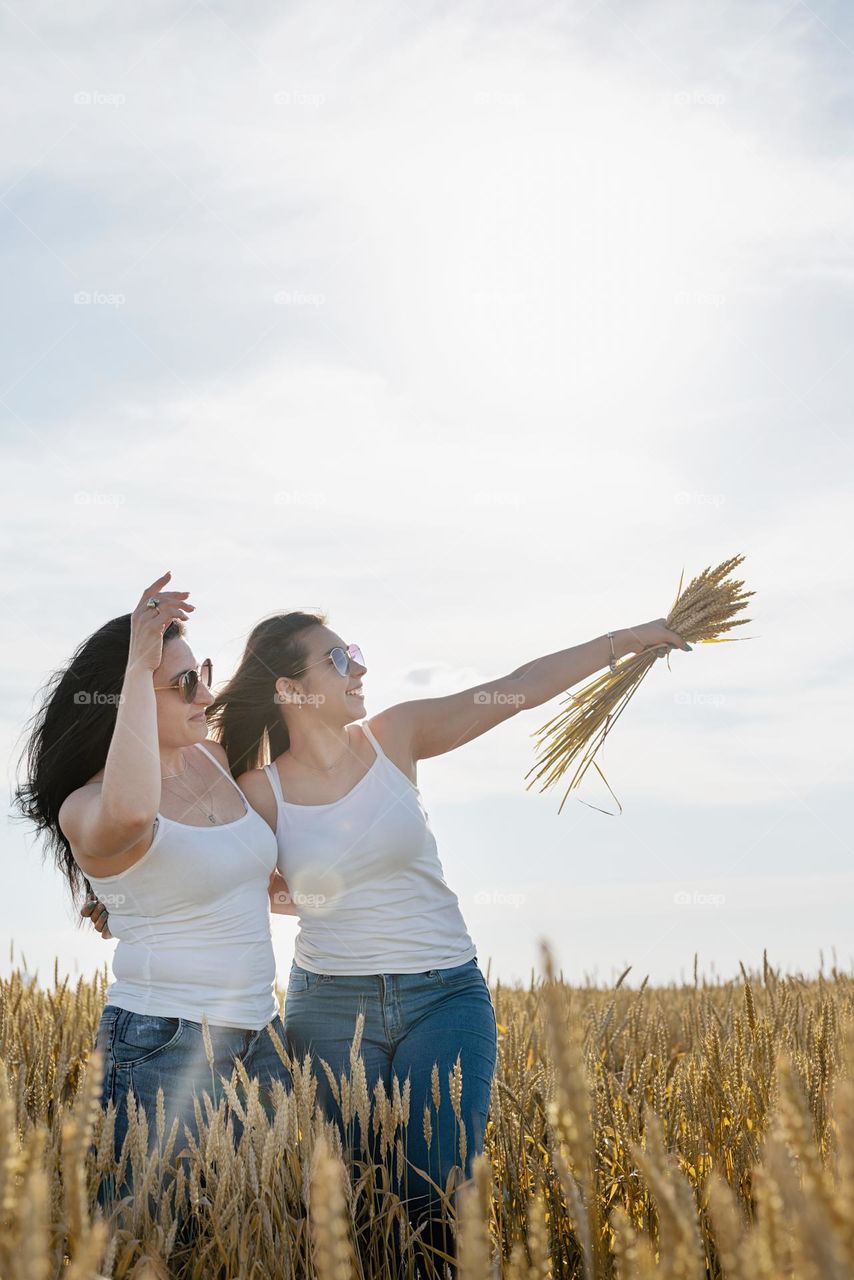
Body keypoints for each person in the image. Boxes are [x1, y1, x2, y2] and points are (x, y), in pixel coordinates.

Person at [14, 573, 292, 1212]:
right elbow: (136, 816)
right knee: (157, 1246)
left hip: (262, 1038)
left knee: (253, 1237)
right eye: (183, 682)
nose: (206, 693)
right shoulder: (87, 807)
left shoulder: (219, 761)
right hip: (163, 1043)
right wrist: (139, 670)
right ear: (128, 698)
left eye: (205, 672)